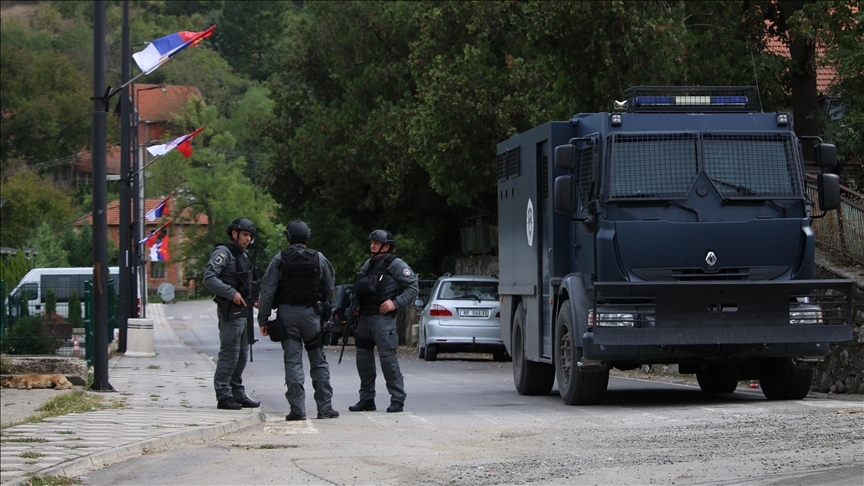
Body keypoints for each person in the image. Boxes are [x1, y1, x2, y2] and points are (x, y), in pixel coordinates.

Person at [258, 221, 338, 421]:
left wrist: (263, 319)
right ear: (307, 238)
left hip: (287, 316)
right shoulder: (319, 258)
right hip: (312, 315)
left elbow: (267, 291)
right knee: (318, 362)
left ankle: (298, 410)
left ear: (288, 239)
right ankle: (325, 408)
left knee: (293, 362)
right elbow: (329, 286)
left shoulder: (279, 259)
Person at [348, 229, 419, 413]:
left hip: (382, 320)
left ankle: (397, 399)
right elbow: (359, 288)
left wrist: (395, 303)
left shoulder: (395, 264)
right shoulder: (368, 264)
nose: (372, 245)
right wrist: (355, 306)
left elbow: (413, 287)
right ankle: (366, 399)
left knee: (388, 360)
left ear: (386, 246)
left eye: (376, 243)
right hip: (364, 318)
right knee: (363, 360)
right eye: (371, 242)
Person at [203, 218, 261, 410]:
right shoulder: (224, 253)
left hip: (243, 311)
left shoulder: (242, 256)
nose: (248, 239)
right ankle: (223, 395)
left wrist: (254, 298)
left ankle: (237, 392)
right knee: (230, 354)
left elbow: (245, 282)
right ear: (234, 234)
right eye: (245, 235)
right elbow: (209, 278)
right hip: (230, 311)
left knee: (242, 355)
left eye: (250, 236)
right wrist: (231, 293)